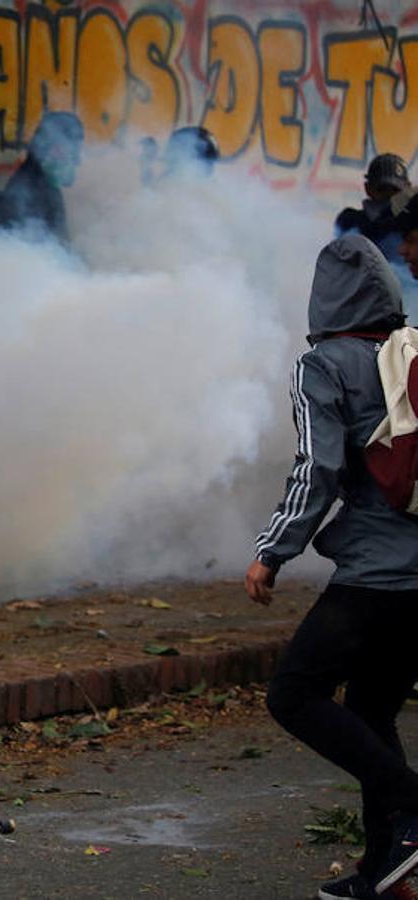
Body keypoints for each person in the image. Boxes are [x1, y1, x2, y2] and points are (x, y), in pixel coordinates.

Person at [247, 233, 418, 899]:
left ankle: (411, 806)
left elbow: (314, 467)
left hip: (374, 578)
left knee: (292, 694)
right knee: (372, 712)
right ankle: (388, 871)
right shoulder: (406, 354)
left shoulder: (324, 364)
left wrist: (272, 551)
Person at [0, 110, 83, 242]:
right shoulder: (20, 204)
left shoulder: (47, 194)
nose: (77, 160)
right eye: (73, 150)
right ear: (53, 149)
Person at [336, 153, 418, 323]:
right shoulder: (352, 223)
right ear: (368, 189)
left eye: (395, 191)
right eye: (383, 190)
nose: (389, 198)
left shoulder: (410, 220)